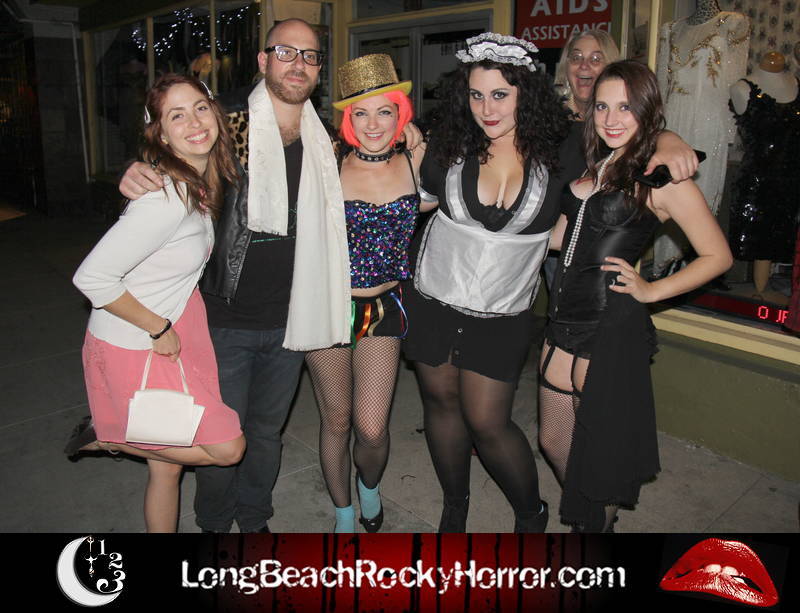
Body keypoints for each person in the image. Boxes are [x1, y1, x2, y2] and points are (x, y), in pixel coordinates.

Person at [118, 19, 421, 533]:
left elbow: (381, 152)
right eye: (286, 52)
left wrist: (411, 137)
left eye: (309, 55)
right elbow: (173, 149)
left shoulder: (327, 141)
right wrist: (137, 166)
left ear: (319, 69)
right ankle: (215, 524)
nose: (298, 64)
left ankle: (255, 518)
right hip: (225, 314)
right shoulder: (224, 123)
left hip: (292, 314)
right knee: (221, 433)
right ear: (263, 60)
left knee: (265, 432)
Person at [402, 33, 699, 534]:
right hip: (433, 295)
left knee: (488, 422)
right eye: (476, 95)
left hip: (505, 308)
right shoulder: (448, 143)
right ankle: (455, 505)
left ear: (526, 94)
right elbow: (415, 197)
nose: (487, 108)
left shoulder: (564, 147)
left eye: (501, 94)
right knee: (440, 405)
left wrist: (668, 140)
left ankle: (530, 511)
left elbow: (625, 132)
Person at [538, 60, 733, 532]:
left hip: (609, 326)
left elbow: (717, 256)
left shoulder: (659, 178)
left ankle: (596, 526)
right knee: (553, 441)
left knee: (600, 456)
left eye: (625, 107)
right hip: (563, 319)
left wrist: (651, 290)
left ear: (647, 110)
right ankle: (589, 514)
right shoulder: (596, 165)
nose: (611, 118)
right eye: (602, 107)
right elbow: (559, 238)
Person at [66, 74, 245, 533]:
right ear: (161, 134)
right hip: (136, 340)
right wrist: (158, 328)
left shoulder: (195, 185)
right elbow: (91, 277)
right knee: (228, 448)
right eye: (176, 115)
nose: (194, 123)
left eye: (200, 108)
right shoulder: (166, 198)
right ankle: (106, 436)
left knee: (167, 468)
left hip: (170, 327)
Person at [305, 54, 429, 532]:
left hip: (384, 308)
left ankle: (369, 485)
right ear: (347, 118)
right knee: (336, 420)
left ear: (401, 113)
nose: (373, 123)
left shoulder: (418, 161)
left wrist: (419, 139)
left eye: (384, 111)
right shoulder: (327, 164)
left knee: (372, 428)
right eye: (361, 112)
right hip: (327, 308)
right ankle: (342, 511)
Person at [554, 30, 621, 120]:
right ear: (566, 67)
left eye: (595, 59)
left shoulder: (625, 119)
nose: (584, 65)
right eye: (576, 58)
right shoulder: (549, 118)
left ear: (611, 68)